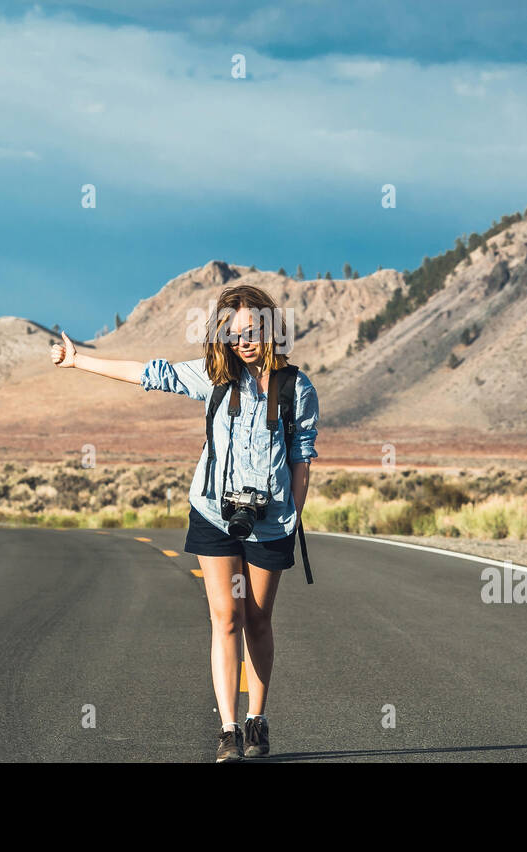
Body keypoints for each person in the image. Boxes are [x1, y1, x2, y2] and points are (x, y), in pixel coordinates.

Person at [50, 283, 319, 762]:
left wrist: (293, 512)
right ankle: (229, 731)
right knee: (225, 617)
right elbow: (149, 373)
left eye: (255, 329)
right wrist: (79, 360)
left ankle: (257, 721)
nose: (246, 340)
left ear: (272, 328)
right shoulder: (214, 378)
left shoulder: (297, 388)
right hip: (214, 513)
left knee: (257, 619)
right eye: (235, 333)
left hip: (271, 521)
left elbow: (302, 459)